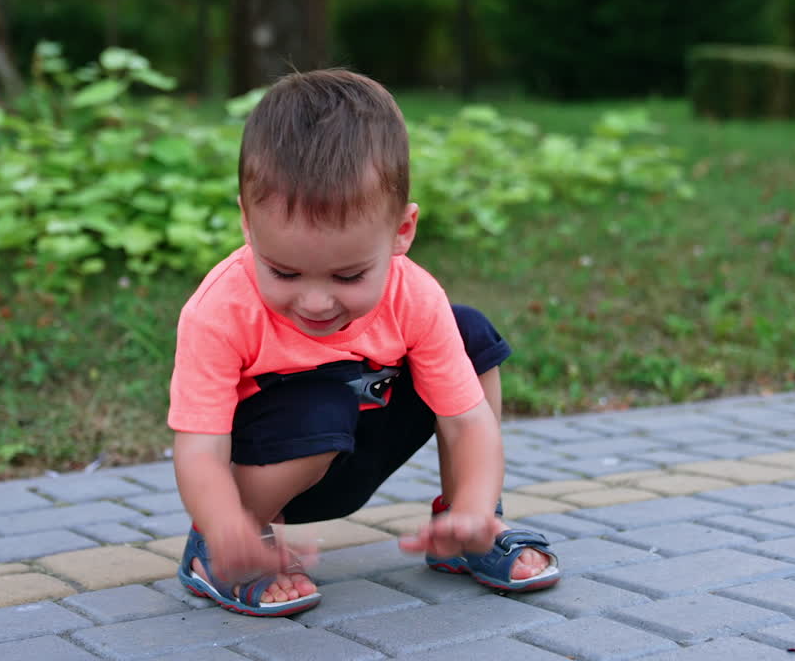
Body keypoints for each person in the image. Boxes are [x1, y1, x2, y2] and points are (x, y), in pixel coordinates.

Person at [167, 69, 560, 616]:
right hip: (270, 472)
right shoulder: (220, 310)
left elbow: (469, 421)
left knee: (468, 332)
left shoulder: (414, 296)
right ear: (248, 224)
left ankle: (468, 528)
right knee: (322, 401)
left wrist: (472, 505)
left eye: (348, 276)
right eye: (283, 272)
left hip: (362, 444)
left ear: (402, 231)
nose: (316, 302)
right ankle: (221, 550)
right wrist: (226, 524)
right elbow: (198, 448)